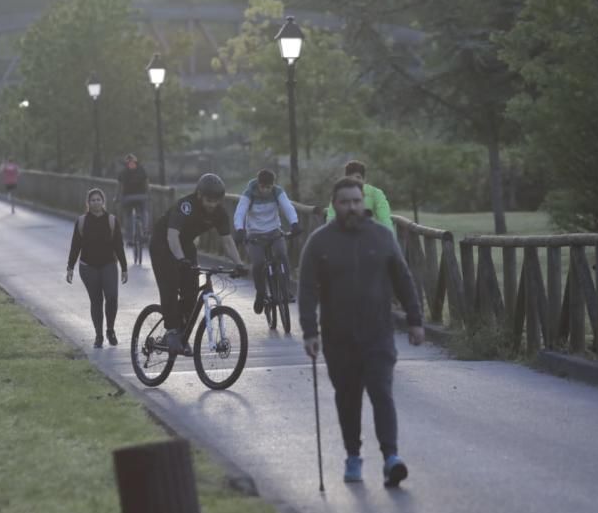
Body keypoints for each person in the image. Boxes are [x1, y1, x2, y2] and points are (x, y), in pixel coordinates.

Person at [298, 177, 425, 487]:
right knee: (348, 398)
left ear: (363, 202)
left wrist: (415, 319)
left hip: (378, 333)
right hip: (337, 337)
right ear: (334, 204)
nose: (352, 207)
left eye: (357, 201)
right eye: (345, 202)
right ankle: (353, 455)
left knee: (382, 392)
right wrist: (309, 332)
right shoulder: (319, 242)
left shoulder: (381, 237)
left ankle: (391, 458)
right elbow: (306, 290)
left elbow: (403, 278)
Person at [149, 173, 246, 355]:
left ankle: (181, 333)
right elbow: (172, 235)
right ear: (199, 195)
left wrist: (239, 263)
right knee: (170, 284)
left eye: (216, 201)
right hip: (163, 243)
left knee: (192, 291)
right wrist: (180, 259)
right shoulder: (186, 205)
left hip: (185, 245)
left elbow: (227, 241)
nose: (212, 204)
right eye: (208, 200)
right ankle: (171, 331)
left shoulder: (220, 213)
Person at [232, 169, 302, 315]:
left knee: (282, 254)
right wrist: (240, 229)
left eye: (268, 187)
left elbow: (287, 207)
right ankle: (260, 293)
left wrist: (294, 223)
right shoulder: (249, 193)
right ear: (258, 184)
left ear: (272, 185)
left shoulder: (277, 192)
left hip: (274, 231)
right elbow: (240, 212)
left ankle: (285, 289)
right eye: (263, 186)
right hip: (255, 234)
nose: (265, 190)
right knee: (258, 263)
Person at [66, 188, 128, 348]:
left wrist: (124, 267)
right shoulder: (82, 221)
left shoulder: (112, 220)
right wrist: (70, 267)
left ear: (103, 202)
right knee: (96, 301)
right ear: (88, 203)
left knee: (112, 297)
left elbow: (119, 245)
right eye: (92, 200)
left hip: (109, 264)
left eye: (98, 200)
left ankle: (110, 330)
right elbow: (75, 246)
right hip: (88, 267)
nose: (95, 202)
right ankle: (99, 335)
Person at [324, 160, 395, 235]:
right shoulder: (339, 195)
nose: (354, 181)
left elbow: (385, 220)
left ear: (364, 180)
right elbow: (331, 219)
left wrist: (390, 241)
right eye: (350, 178)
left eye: (358, 177)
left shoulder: (376, 194)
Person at [115, 153, 149, 246]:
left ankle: (130, 239)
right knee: (144, 211)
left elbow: (119, 187)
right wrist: (148, 195)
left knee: (127, 216)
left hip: (128, 197)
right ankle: (145, 232)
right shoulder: (142, 170)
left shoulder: (123, 172)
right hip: (141, 196)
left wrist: (117, 198)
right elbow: (146, 184)